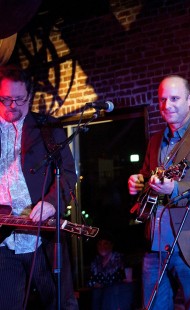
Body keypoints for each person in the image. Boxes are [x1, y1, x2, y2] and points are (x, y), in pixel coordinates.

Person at [128, 75, 190, 309]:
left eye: (175, 98)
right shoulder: (155, 140)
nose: (167, 106)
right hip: (155, 245)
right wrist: (138, 181)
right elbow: (146, 176)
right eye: (162, 100)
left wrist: (175, 189)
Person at [0, 64, 78, 309]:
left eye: (19, 99)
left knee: (60, 304)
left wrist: (52, 203)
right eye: (5, 99)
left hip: (42, 237)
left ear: (30, 97)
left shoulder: (47, 128)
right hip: (3, 241)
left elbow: (67, 174)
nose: (12, 106)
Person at [87, 232, 131, 310]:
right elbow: (89, 281)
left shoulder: (120, 259)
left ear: (111, 245)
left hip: (116, 298)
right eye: (99, 244)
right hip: (99, 297)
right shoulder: (95, 261)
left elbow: (128, 280)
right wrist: (95, 284)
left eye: (105, 244)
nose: (102, 246)